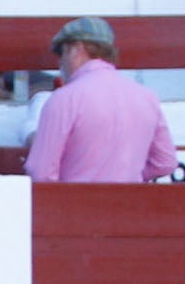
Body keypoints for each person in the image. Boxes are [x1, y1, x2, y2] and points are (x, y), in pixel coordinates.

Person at [23, 15, 175, 183]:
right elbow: (165, 163)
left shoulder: (64, 99)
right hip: (129, 203)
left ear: (76, 49)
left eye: (61, 53)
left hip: (75, 204)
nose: (60, 62)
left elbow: (40, 171)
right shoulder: (147, 97)